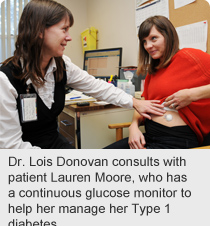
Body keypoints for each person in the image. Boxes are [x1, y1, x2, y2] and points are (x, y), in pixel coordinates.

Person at [0, 0, 165, 149]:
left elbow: (97, 87)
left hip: (55, 144)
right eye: (64, 29)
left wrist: (135, 102)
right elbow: (11, 147)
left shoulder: (61, 64)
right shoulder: (5, 79)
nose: (69, 37)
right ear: (39, 31)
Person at [105, 15, 210, 149]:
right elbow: (143, 104)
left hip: (175, 141)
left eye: (153, 38)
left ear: (168, 36)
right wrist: (134, 126)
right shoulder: (153, 70)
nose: (148, 46)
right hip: (148, 137)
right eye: (144, 41)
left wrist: (191, 95)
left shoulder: (190, 57)